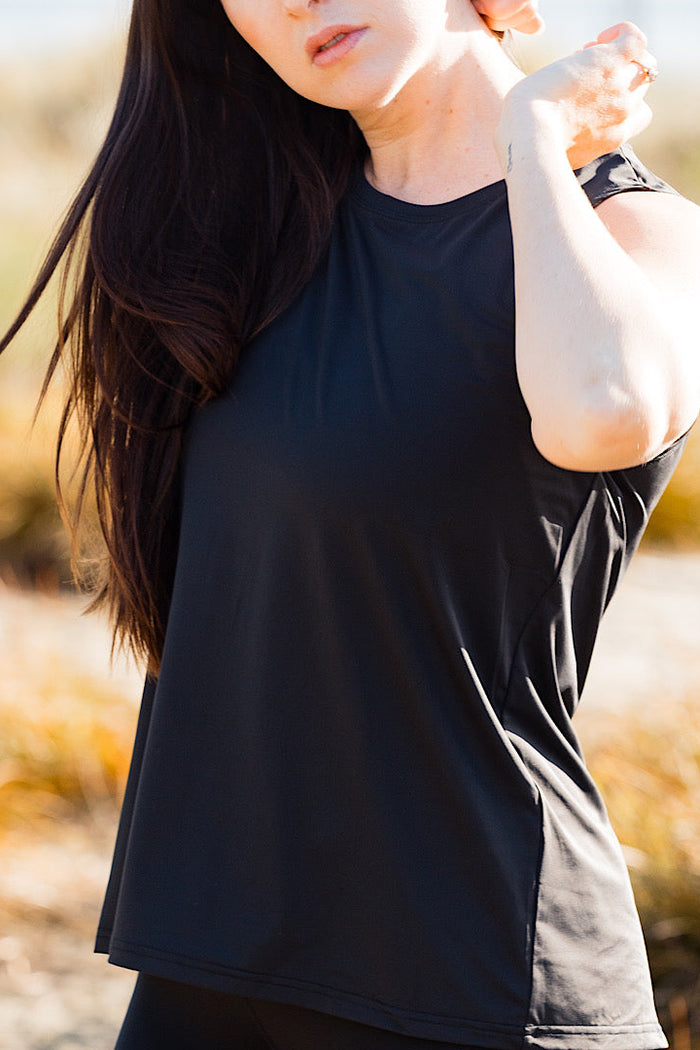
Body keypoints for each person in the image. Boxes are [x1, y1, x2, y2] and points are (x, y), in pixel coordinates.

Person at [3, 0, 700, 1047]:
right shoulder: (248, 241)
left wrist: (531, 142)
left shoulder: (630, 227)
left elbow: (603, 414)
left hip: (477, 986)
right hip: (209, 963)